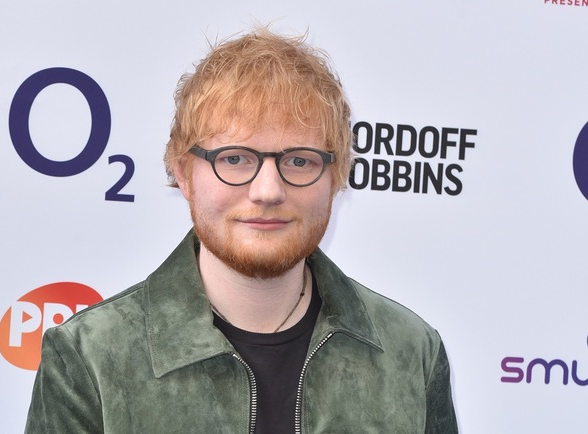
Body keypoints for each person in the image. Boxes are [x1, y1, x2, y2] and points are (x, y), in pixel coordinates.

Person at [25, 27, 458, 433]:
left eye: (299, 160)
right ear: (184, 174)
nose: (267, 190)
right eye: (234, 158)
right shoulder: (89, 357)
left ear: (337, 175)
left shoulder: (412, 351)